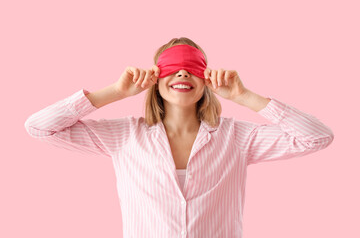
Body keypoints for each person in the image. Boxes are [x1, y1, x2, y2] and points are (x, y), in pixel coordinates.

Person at [24, 37, 334, 238]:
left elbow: (317, 137)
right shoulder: (124, 135)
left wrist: (244, 96)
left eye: (191, 69)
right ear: (156, 80)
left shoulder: (237, 137)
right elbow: (40, 127)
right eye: (173, 69)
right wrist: (115, 92)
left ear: (205, 80)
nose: (182, 74)